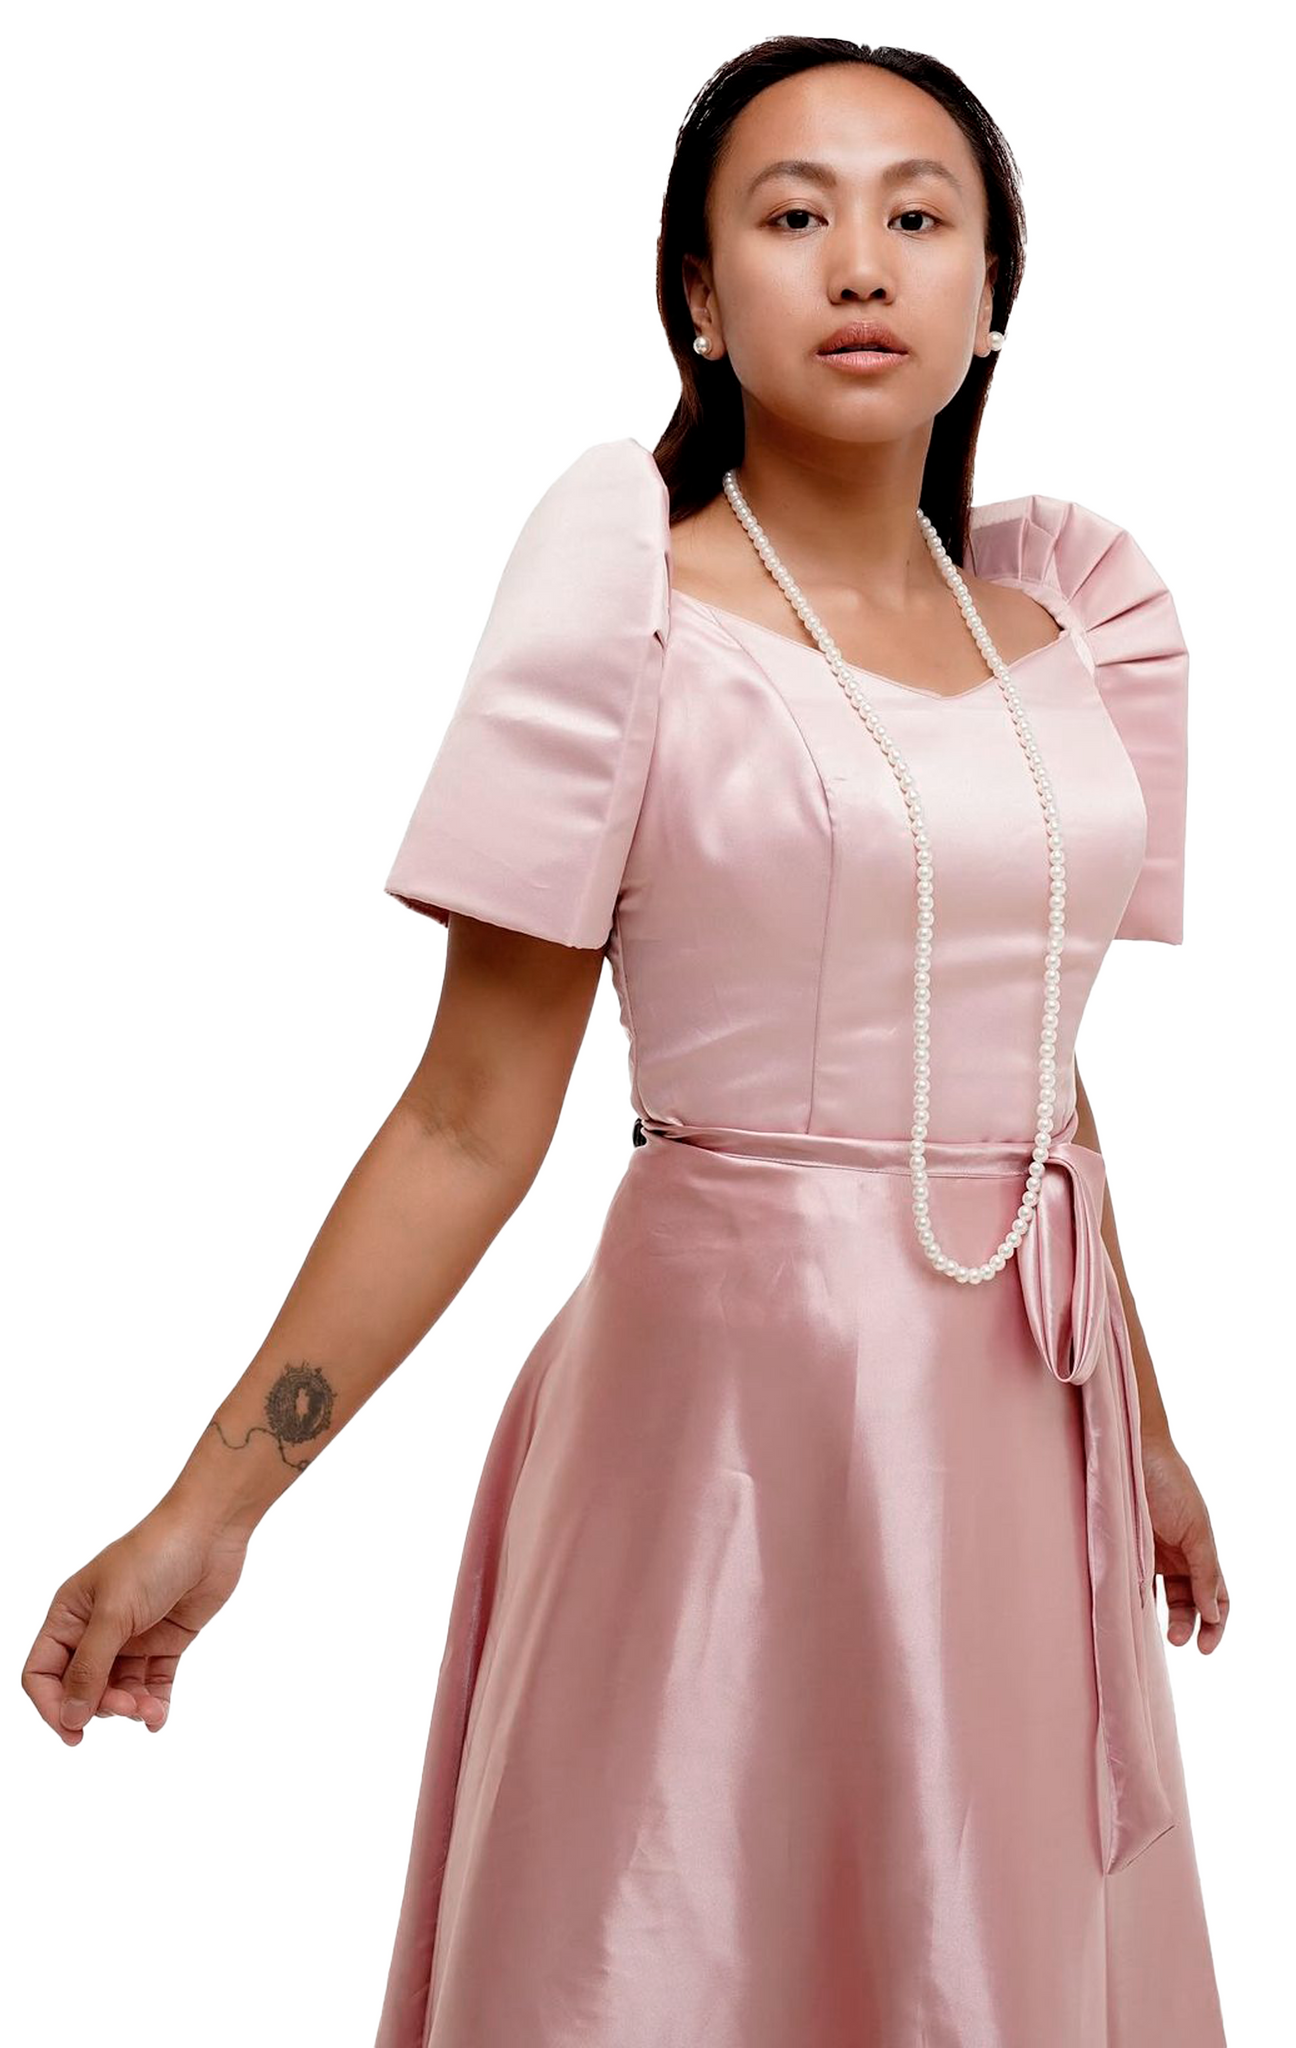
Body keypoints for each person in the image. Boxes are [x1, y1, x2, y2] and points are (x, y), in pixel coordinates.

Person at [22, 35, 1230, 2048]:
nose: (862, 261)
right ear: (700, 295)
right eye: (793, 213)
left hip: (1022, 1431)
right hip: (729, 1412)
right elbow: (465, 1122)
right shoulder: (637, 620)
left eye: (919, 216)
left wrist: (1150, 1429)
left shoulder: (1060, 632)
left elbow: (1031, 1058)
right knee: (675, 1935)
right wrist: (208, 1506)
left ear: (990, 294)